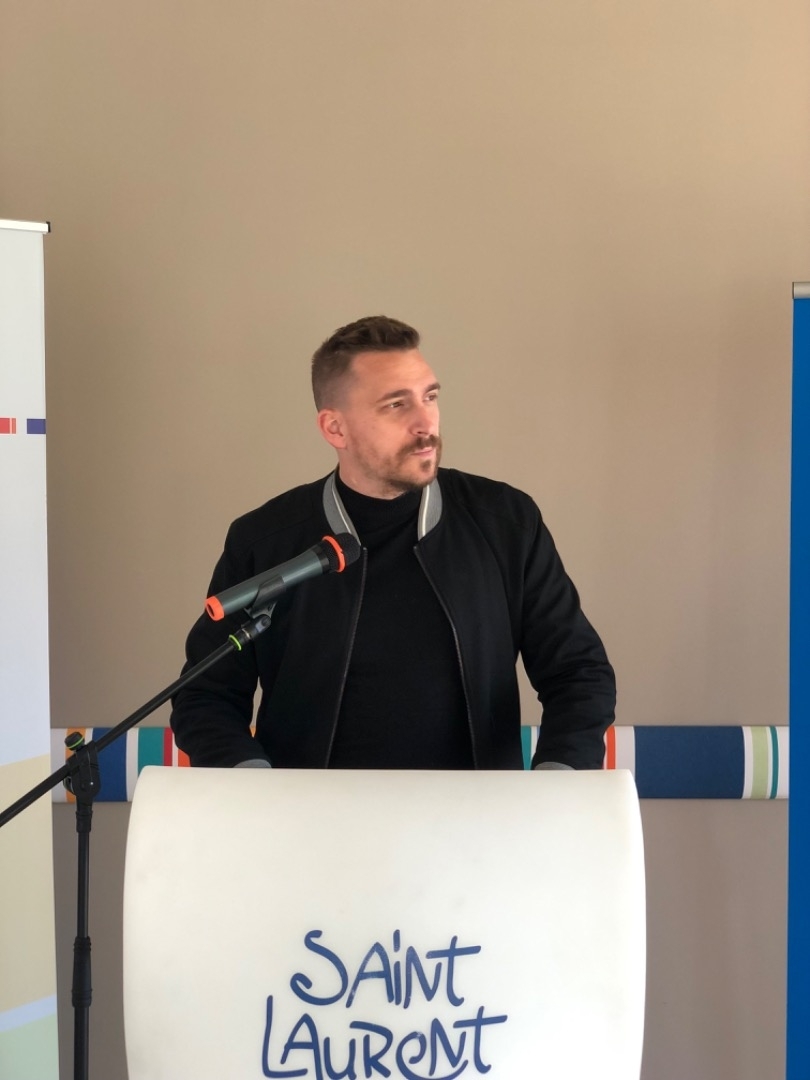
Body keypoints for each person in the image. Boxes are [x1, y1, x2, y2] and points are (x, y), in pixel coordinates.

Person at [170, 315, 615, 770]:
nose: (426, 422)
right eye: (396, 405)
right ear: (335, 428)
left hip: (477, 813)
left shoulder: (506, 523)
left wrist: (556, 782)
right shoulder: (265, 540)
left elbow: (578, 672)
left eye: (430, 397)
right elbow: (204, 695)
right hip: (307, 813)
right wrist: (255, 786)